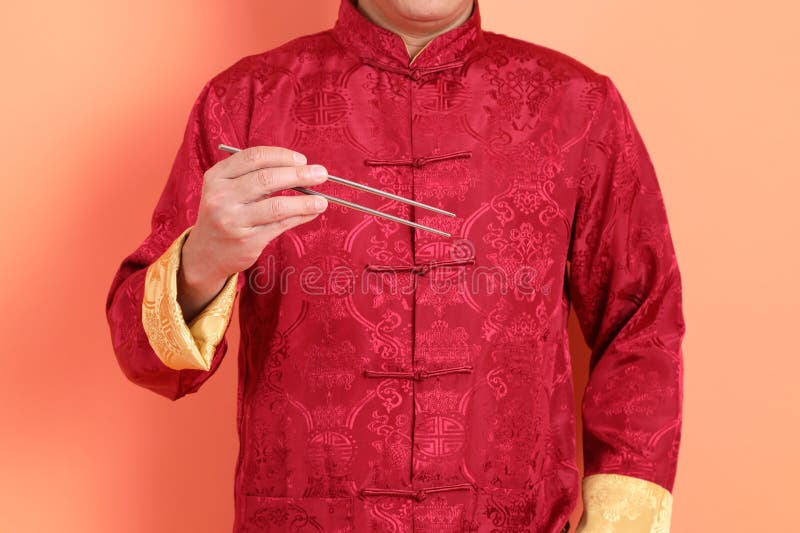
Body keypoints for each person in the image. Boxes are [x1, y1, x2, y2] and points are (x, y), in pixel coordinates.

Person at [105, 0, 685, 531]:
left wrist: (619, 524)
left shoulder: (577, 105)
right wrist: (202, 260)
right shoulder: (244, 102)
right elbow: (148, 361)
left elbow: (642, 324)